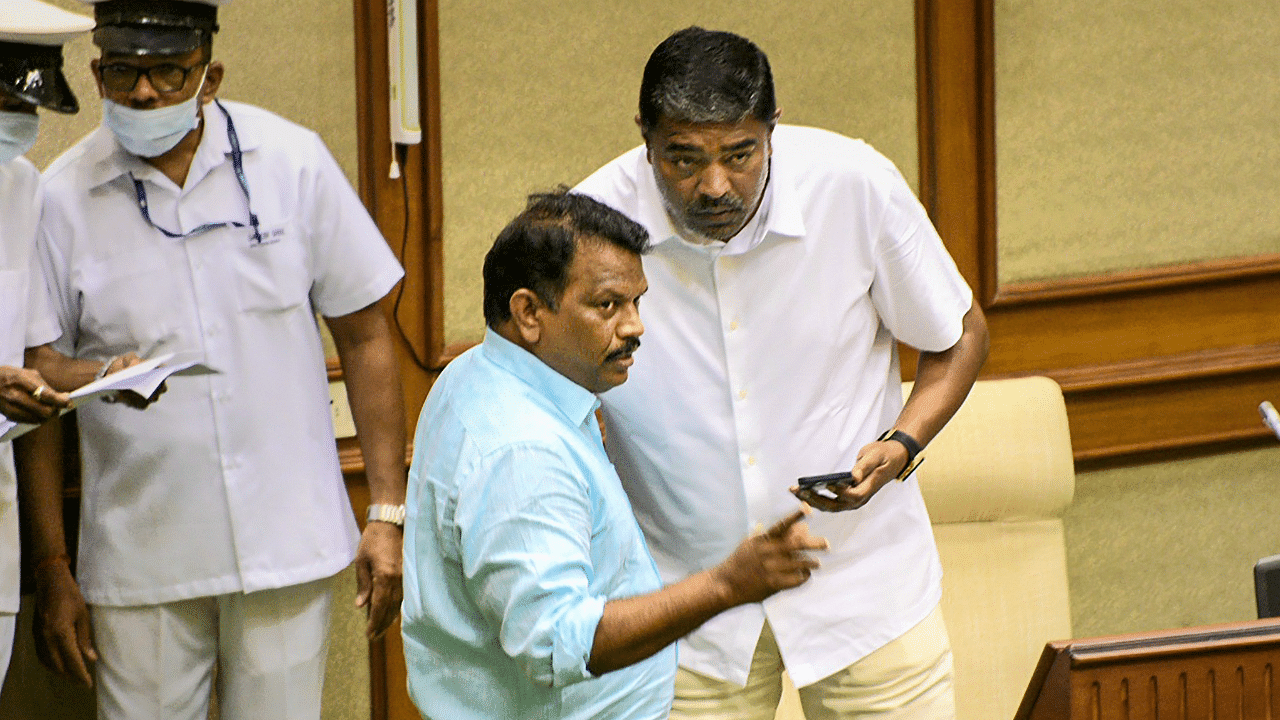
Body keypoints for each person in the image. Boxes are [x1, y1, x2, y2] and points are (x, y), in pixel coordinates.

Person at [575, 27, 991, 719]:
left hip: (865, 592)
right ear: (644, 139)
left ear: (774, 131)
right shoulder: (587, 227)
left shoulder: (854, 185)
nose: (714, 185)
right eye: (682, 158)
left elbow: (961, 333)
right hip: (683, 610)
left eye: (740, 155)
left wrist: (903, 444)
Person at [28, 1, 409, 717]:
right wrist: (52, 567)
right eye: (121, 72)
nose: (143, 93)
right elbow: (36, 385)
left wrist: (386, 512)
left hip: (285, 539)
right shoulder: (60, 197)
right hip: (142, 548)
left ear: (210, 76)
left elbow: (365, 334)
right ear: (96, 73)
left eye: (168, 72)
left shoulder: (292, 160)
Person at [401, 189, 828, 720]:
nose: (634, 327)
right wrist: (728, 584)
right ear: (528, 312)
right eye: (607, 305)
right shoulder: (522, 451)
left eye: (637, 302)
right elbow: (557, 644)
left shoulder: (477, 374)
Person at [0, 0, 95, 688]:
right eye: (3, 100)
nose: (19, 123)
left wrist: (108, 373)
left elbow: (34, 357)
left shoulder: (19, 186)